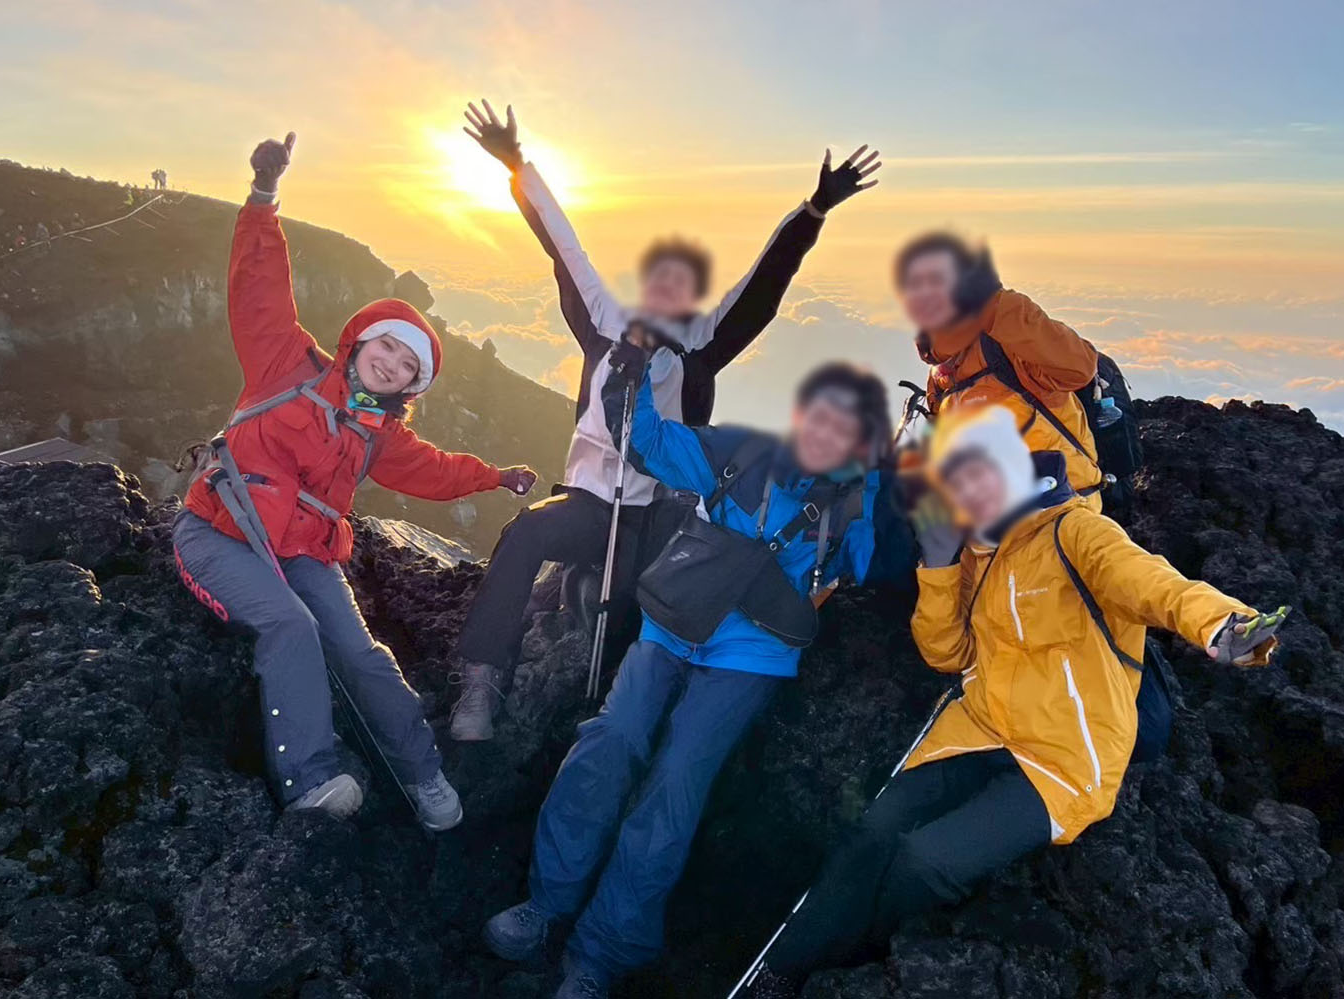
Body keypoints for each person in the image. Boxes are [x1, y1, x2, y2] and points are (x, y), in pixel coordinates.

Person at [741, 404, 1289, 997]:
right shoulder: (974, 552)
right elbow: (948, 654)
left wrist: (1222, 624)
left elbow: (1155, 583)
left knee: (927, 861)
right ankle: (789, 964)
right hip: (978, 727)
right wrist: (939, 567)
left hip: (1062, 757)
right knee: (872, 830)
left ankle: (857, 961)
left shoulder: (1077, 531)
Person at [483, 332, 904, 999]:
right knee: (610, 739)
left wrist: (889, 481)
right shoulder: (742, 450)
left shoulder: (855, 503)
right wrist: (630, 373)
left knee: (676, 782)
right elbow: (647, 441)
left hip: (753, 653)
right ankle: (546, 904)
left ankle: (600, 954)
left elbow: (885, 562)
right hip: (672, 624)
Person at [447, 99, 882, 742]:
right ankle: (481, 679)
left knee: (636, 605)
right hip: (592, 502)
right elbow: (563, 245)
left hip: (663, 516)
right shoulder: (604, 324)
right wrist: (517, 165)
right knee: (525, 535)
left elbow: (765, 283)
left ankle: (621, 679)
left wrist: (814, 210)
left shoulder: (700, 346)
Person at [170, 131, 538, 831]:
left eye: (408, 367)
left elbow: (436, 470)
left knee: (364, 656)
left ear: (409, 387)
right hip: (218, 533)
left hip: (303, 549)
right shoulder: (285, 365)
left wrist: (496, 476)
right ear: (361, 340)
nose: (392, 364)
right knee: (291, 626)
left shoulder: (379, 436)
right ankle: (310, 779)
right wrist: (264, 195)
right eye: (388, 347)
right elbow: (259, 289)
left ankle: (423, 773)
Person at [896, 233, 1107, 508]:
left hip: (1064, 508)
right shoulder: (941, 374)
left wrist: (996, 305)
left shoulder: (1009, 345)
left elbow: (1079, 369)